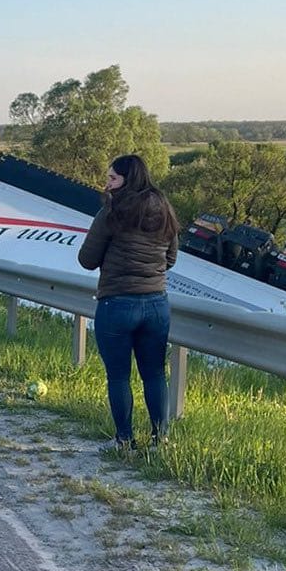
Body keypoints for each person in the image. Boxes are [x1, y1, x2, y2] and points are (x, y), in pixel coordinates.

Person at [77, 154, 180, 448]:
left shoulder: (112, 212)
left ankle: (124, 440)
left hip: (117, 303)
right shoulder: (165, 211)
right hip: (157, 304)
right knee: (155, 373)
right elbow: (170, 258)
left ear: (126, 180)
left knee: (119, 376)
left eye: (112, 178)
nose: (107, 184)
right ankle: (161, 440)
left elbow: (87, 260)